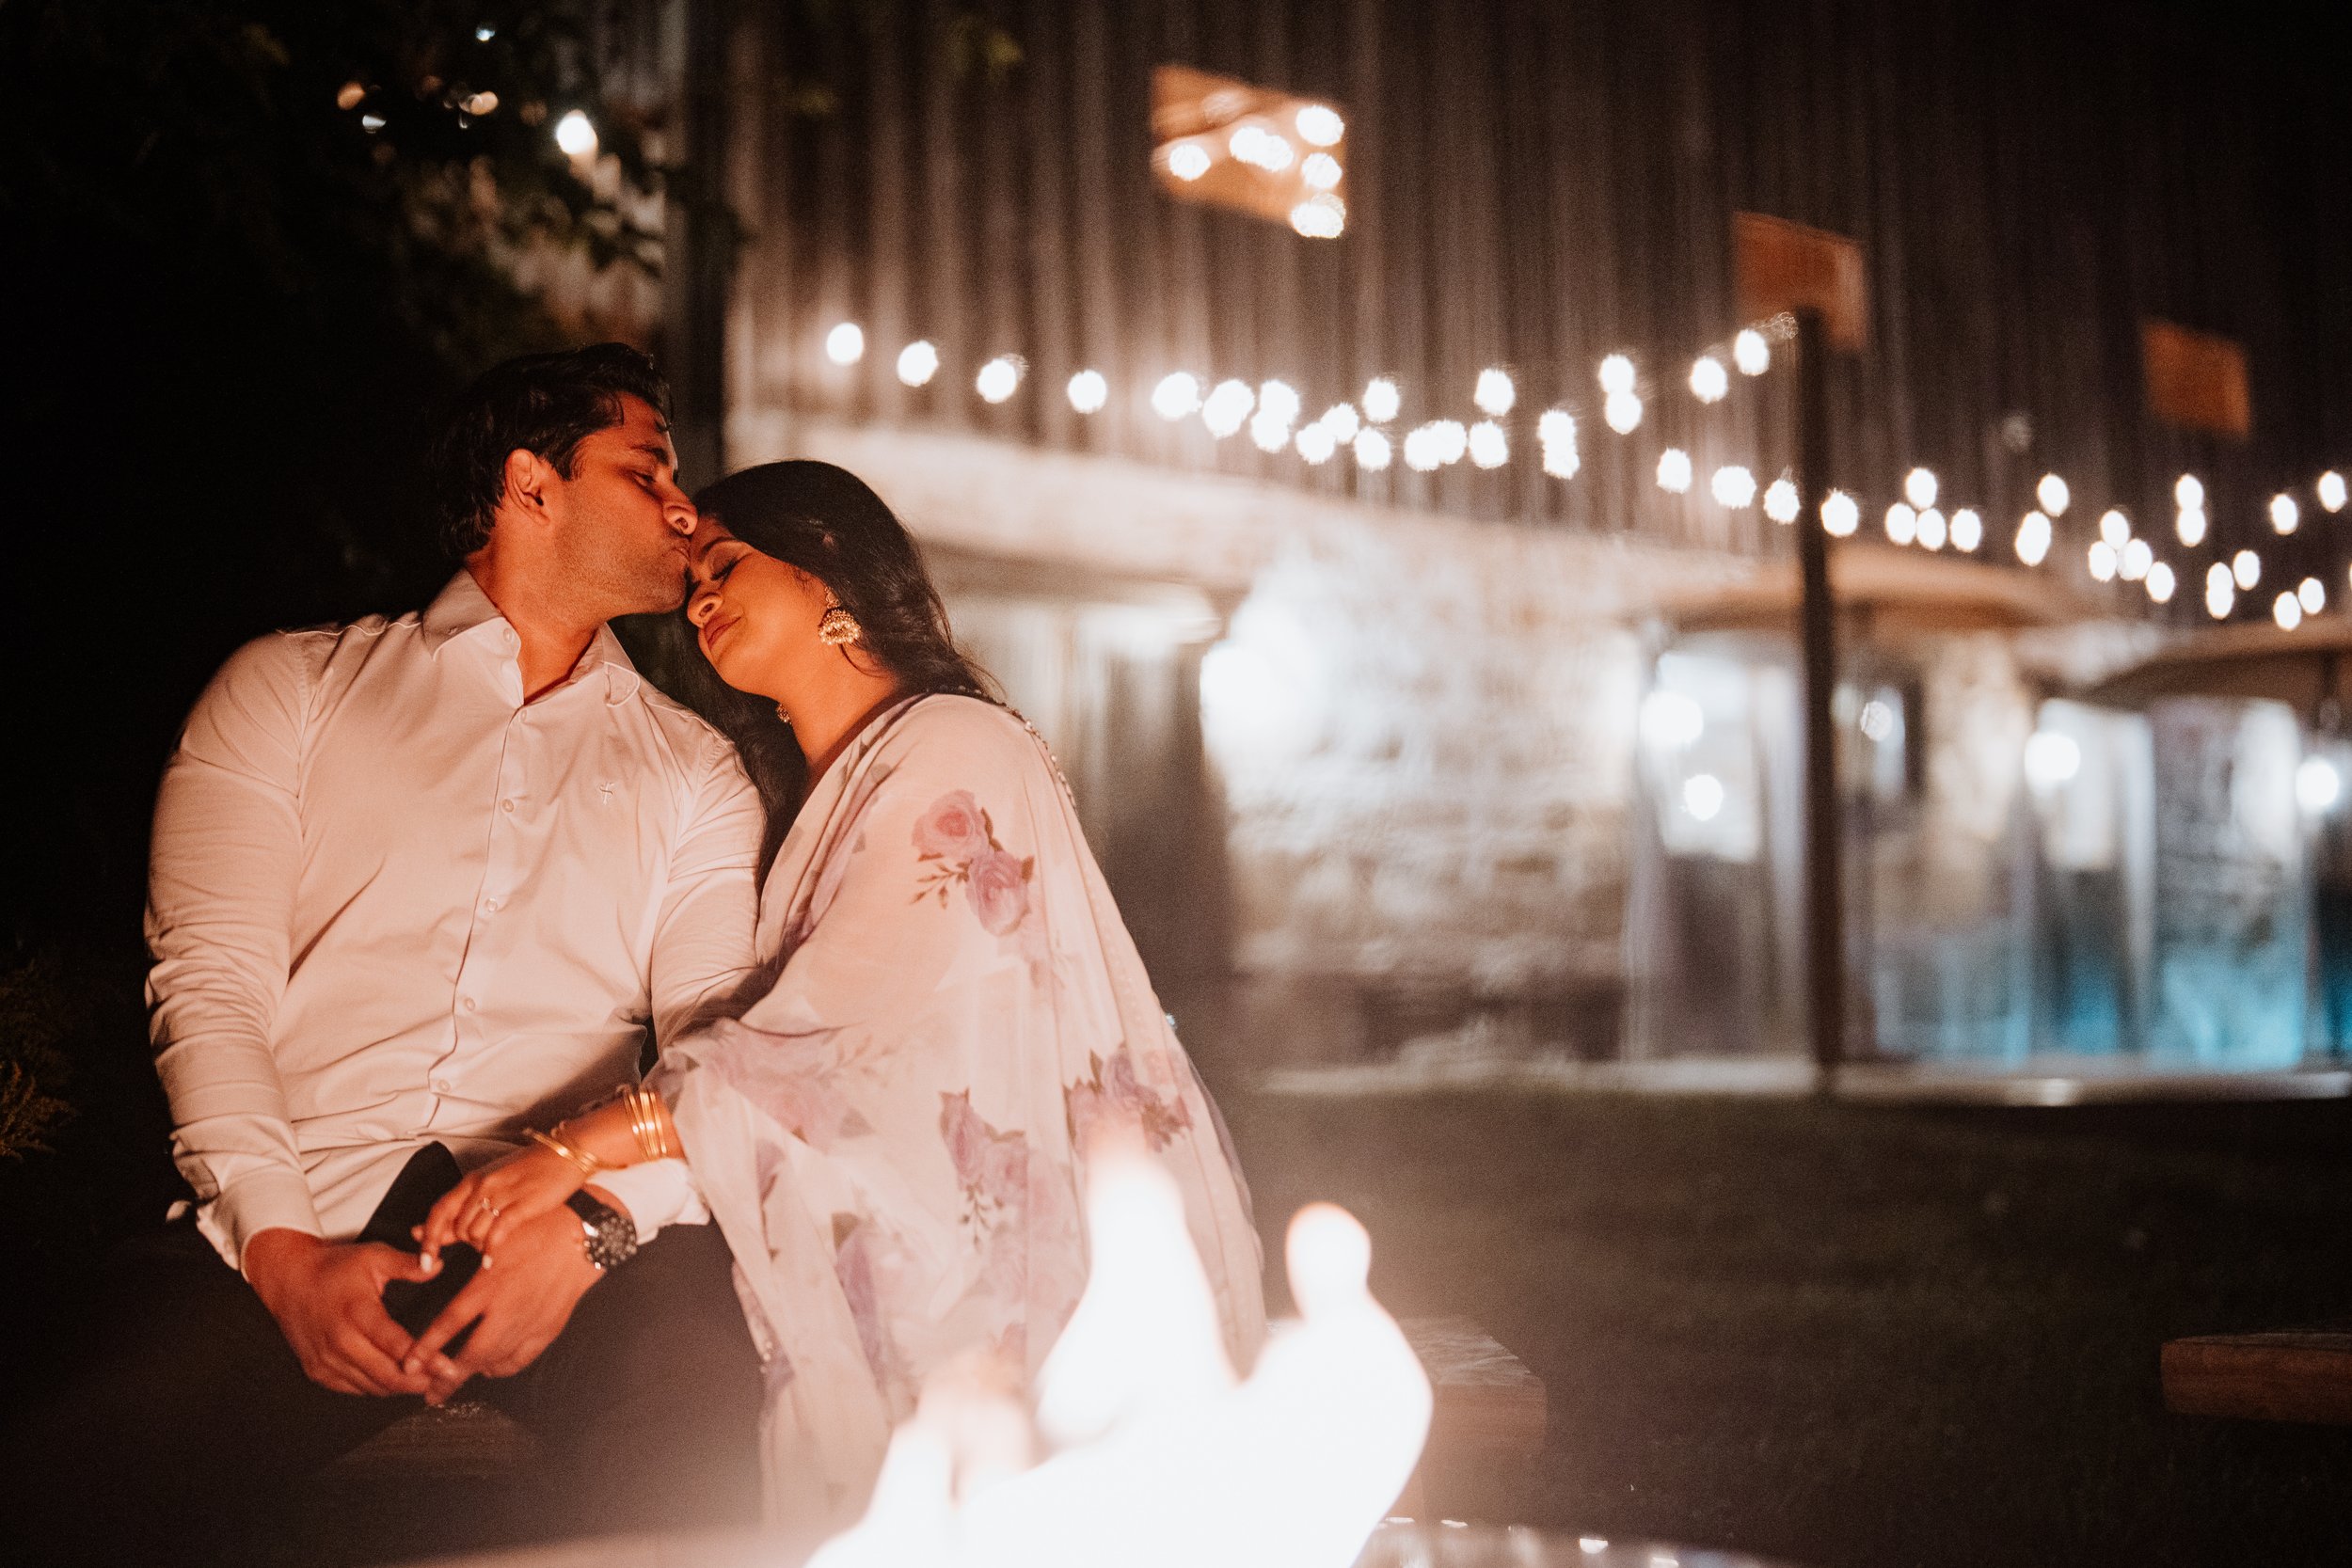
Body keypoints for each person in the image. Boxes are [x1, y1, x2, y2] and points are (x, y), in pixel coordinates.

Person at [0, 345, 768, 1563]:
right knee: (61, 1452)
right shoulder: (286, 690)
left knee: (716, 1431)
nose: (687, 510)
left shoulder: (695, 773)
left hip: (573, 1240)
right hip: (295, 1228)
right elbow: (209, 989)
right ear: (532, 484)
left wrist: (600, 1228)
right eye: (647, 471)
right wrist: (280, 1248)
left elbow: (718, 1062)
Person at [414, 460, 1267, 1538]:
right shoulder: (808, 794)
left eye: (727, 565)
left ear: (830, 574)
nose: (705, 599)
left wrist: (575, 1148)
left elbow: (826, 1047)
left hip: (1021, 1262)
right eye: (694, 588)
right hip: (915, 1237)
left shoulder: (953, 745)